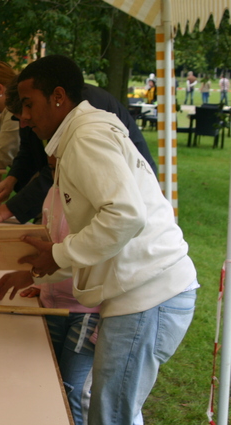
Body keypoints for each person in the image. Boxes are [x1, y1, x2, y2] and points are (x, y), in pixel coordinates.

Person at [16, 55, 197, 425]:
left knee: (110, 415)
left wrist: (59, 254)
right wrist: (42, 271)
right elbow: (101, 230)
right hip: (144, 293)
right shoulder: (82, 135)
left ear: (58, 97)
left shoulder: (86, 136)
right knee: (113, 412)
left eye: (28, 103)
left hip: (150, 294)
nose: (24, 117)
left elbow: (125, 215)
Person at [0, 156, 99, 425]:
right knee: (47, 383)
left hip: (88, 309)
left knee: (73, 389)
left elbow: (92, 256)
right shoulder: (53, 192)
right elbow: (53, 249)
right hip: (52, 304)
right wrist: (41, 284)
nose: (57, 174)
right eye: (51, 169)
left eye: (61, 167)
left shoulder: (100, 202)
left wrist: (36, 276)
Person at [0, 79, 158, 226]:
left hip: (131, 217)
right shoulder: (46, 111)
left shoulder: (84, 131)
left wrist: (4, 212)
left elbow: (55, 173)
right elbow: (28, 151)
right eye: (18, 118)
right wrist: (13, 178)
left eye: (26, 113)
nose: (24, 121)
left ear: (56, 98)